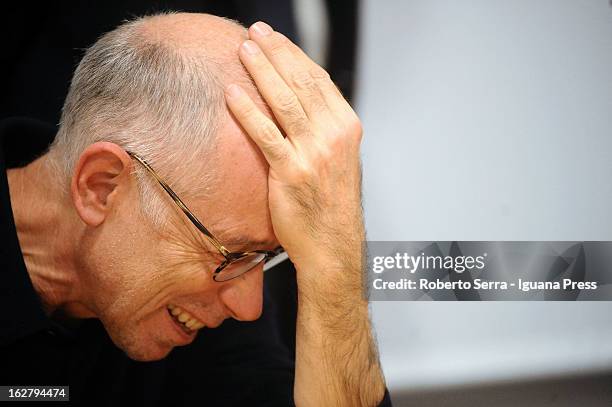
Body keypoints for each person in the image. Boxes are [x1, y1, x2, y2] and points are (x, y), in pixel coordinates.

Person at [0, 12, 391, 406]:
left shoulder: (204, 299)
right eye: (232, 253)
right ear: (100, 187)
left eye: (265, 257)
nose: (248, 308)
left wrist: (337, 263)